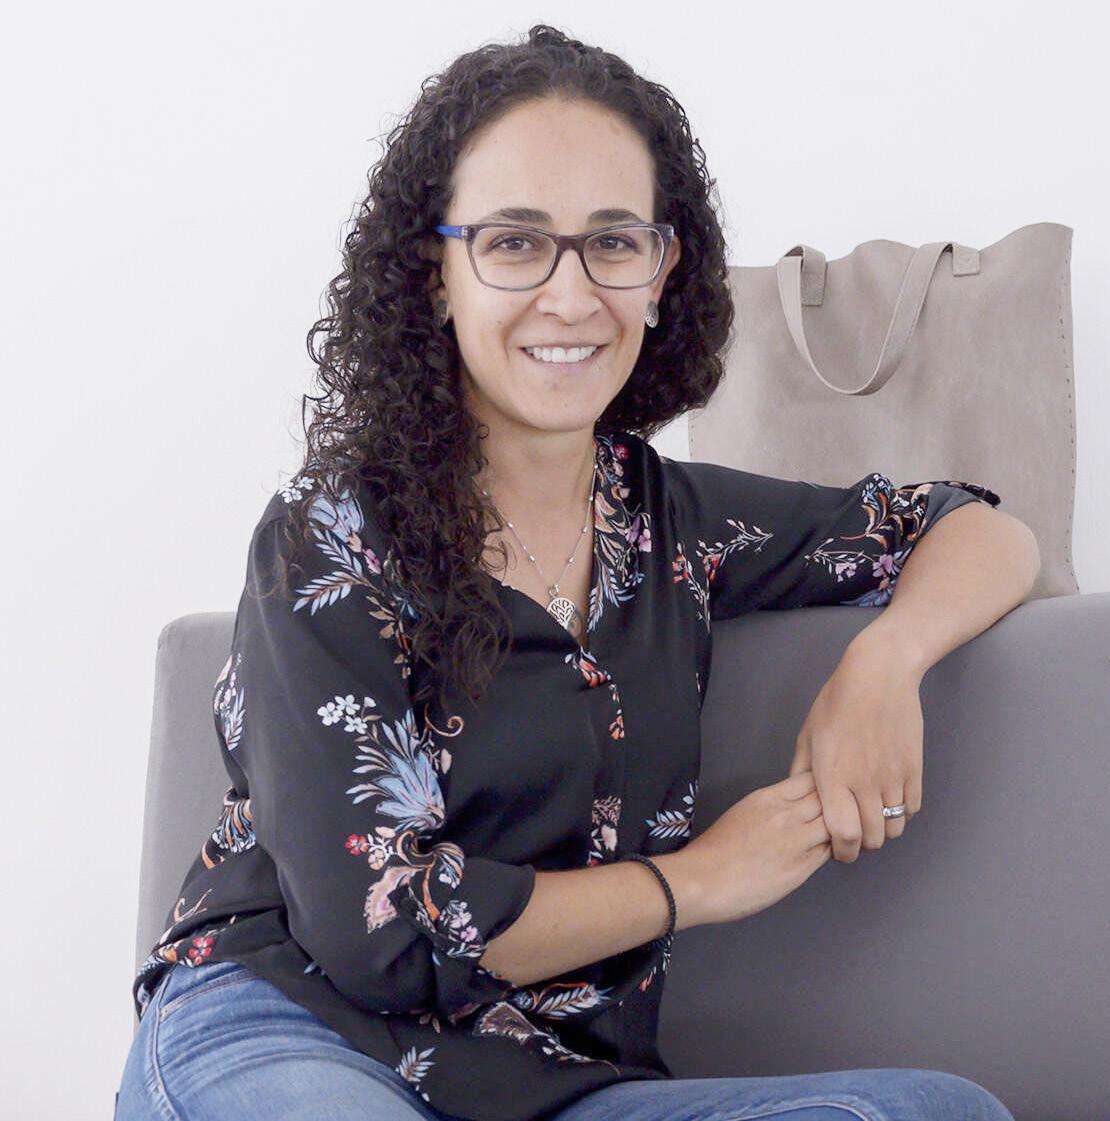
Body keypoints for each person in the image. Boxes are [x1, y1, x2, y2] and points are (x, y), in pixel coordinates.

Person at [114, 23, 1015, 1121]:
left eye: (613, 242)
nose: (571, 293)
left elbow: (968, 526)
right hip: (287, 1031)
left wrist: (885, 661)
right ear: (437, 274)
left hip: (548, 1083)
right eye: (514, 242)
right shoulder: (333, 536)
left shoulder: (677, 525)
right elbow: (382, 929)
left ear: (662, 270)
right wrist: (695, 880)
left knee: (935, 1110)